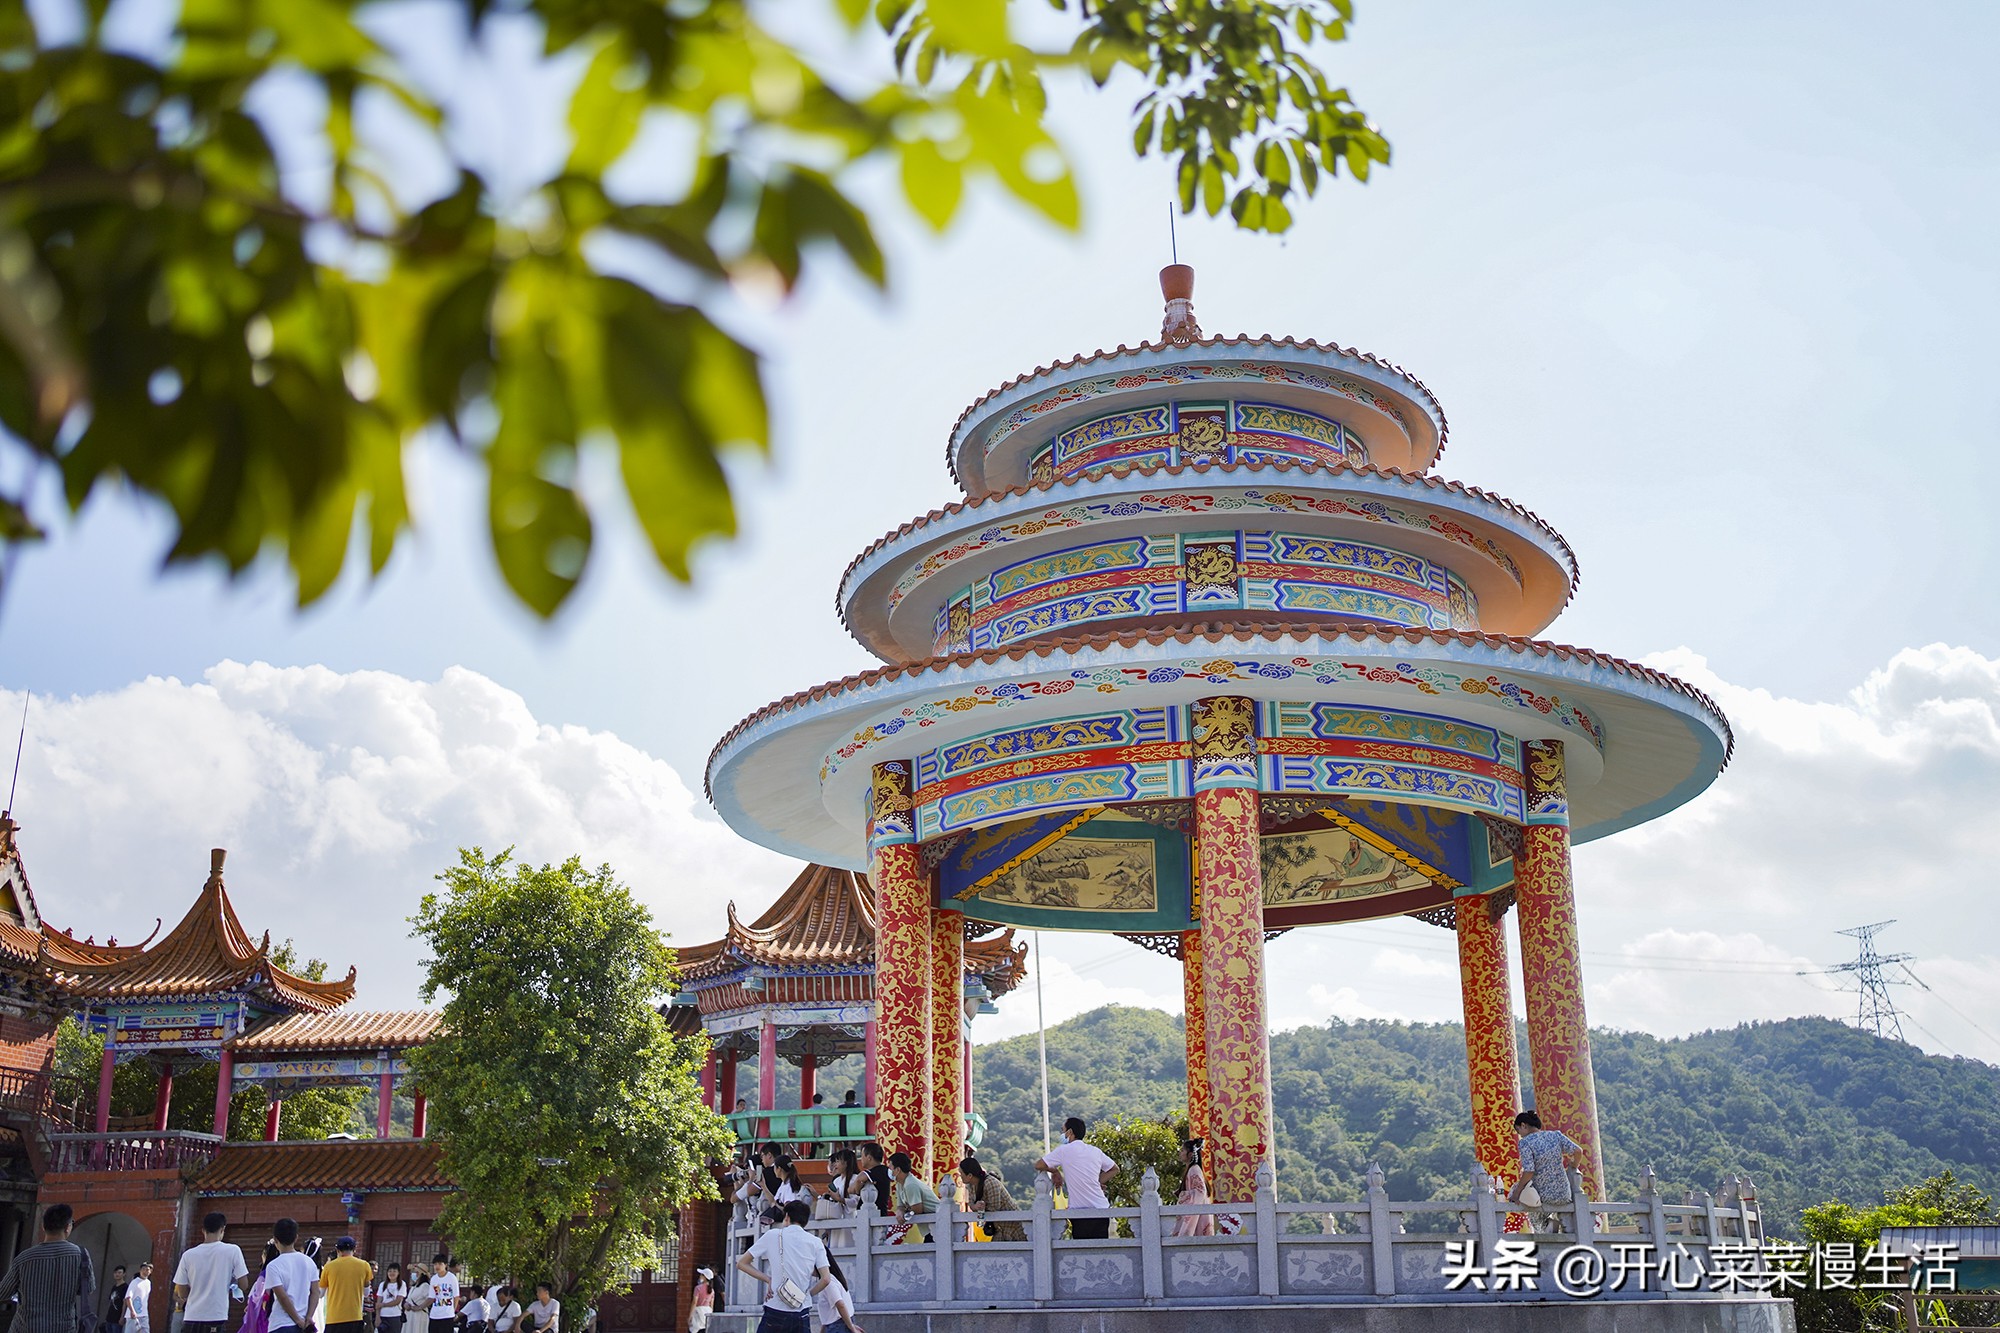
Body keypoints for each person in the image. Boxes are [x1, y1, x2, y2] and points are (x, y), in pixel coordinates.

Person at [734, 1201, 829, 1333]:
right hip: (802, 1311)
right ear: (805, 1221)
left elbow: (742, 1263)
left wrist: (768, 1279)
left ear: (787, 1217)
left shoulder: (772, 1235)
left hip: (775, 1308)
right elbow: (825, 1279)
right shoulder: (815, 1242)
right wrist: (806, 1295)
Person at [0, 1204, 95, 1333]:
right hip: (63, 1328)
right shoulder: (81, 1255)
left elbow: (3, 1293)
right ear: (67, 1228)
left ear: (43, 1227)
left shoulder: (24, 1258)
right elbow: (88, 1289)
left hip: (26, 1328)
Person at [1033, 1117, 1117, 1240]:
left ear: (1070, 1132)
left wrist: (1055, 1171)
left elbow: (1039, 1165)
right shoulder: (1095, 1151)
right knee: (1100, 1252)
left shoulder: (1064, 1150)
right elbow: (1114, 1169)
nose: (1062, 1134)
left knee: (1081, 1252)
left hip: (1079, 1211)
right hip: (1101, 1210)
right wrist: (1096, 1182)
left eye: (1063, 1130)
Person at [1507, 1109, 1584, 1233]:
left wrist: (1517, 1192)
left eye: (1519, 1131)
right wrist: (1574, 1165)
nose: (1520, 1135)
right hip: (1564, 1193)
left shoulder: (1525, 1142)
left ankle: (1544, 1226)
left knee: (1519, 1191)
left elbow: (1529, 1171)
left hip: (1543, 1195)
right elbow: (1578, 1151)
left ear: (1523, 1125)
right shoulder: (1555, 1135)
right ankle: (1549, 1224)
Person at [174, 1212, 251, 1333]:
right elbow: (244, 1285)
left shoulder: (188, 1255)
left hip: (191, 1316)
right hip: (216, 1316)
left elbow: (182, 1292)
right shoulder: (233, 1250)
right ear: (222, 1229)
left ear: (203, 1230)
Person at [262, 1220, 320, 1333]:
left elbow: (283, 1297)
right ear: (296, 1238)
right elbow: (315, 1292)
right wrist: (308, 1317)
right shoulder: (308, 1262)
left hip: (281, 1323)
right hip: (304, 1323)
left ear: (275, 1240)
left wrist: (297, 1320)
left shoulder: (273, 1266)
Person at [956, 1157, 1024, 1242]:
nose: (960, 1176)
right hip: (998, 1228)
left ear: (969, 1175)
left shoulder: (990, 1183)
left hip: (1011, 1225)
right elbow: (971, 1205)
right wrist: (976, 1207)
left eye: (961, 1173)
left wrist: (983, 1207)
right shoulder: (971, 1186)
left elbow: (994, 1207)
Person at [315, 1239, 369, 1333]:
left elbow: (321, 1294)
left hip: (334, 1318)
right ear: (354, 1249)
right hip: (355, 1316)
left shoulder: (329, 1267)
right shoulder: (364, 1265)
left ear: (337, 1250)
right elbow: (367, 1292)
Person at [886, 1153, 937, 1244]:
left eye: (890, 1168)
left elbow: (917, 1209)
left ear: (898, 1170)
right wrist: (899, 1211)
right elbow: (900, 1206)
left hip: (937, 1224)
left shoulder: (910, 1184)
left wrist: (904, 1214)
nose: (889, 1171)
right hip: (929, 1227)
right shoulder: (899, 1185)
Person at [807, 1256, 862, 1333]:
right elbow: (829, 1313)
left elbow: (840, 1304)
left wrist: (851, 1327)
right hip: (839, 1324)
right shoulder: (833, 1278)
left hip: (838, 1326)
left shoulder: (829, 1282)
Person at [1172, 1139, 1215, 1237]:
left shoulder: (1194, 1169)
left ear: (1191, 1154)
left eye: (1183, 1150)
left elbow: (1200, 1191)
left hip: (1198, 1217)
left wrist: (1184, 1195)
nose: (1180, 1153)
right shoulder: (1192, 1169)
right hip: (1199, 1214)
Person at [239, 1244, 281, 1333]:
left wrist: (250, 1304)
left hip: (264, 1310)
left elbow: (258, 1295)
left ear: (265, 1256)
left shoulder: (264, 1274)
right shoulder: (280, 1270)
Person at [422, 1257, 456, 1333]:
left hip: (447, 1315)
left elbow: (456, 1296)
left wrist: (452, 1311)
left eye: (440, 1264)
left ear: (445, 1265)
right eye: (435, 1264)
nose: (437, 1266)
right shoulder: (434, 1279)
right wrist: (420, 1306)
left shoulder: (451, 1278)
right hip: (435, 1315)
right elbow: (432, 1297)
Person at [856, 1144, 892, 1212]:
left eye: (862, 1156)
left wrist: (857, 1190)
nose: (861, 1159)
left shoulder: (878, 1171)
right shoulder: (884, 1170)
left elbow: (857, 1182)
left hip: (876, 1213)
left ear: (869, 1157)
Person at [373, 1265, 408, 1333]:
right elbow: (378, 1303)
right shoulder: (382, 1284)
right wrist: (377, 1316)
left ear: (398, 1273)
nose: (392, 1273)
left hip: (395, 1315)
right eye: (390, 1271)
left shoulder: (402, 1284)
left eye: (394, 1271)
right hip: (383, 1316)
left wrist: (383, 1305)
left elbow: (397, 1301)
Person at [122, 1263, 153, 1333]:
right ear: (140, 1270)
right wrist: (132, 1311)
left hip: (144, 1315)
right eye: (143, 1269)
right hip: (133, 1315)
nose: (145, 1272)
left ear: (150, 1271)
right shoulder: (135, 1282)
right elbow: (128, 1297)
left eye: (147, 1270)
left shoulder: (148, 1283)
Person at [102, 1267, 129, 1333]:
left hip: (117, 1319)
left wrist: (122, 1317)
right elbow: (110, 1301)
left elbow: (125, 1303)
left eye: (119, 1272)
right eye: (115, 1273)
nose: (117, 1274)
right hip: (109, 1318)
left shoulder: (125, 1287)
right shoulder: (114, 1287)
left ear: (124, 1274)